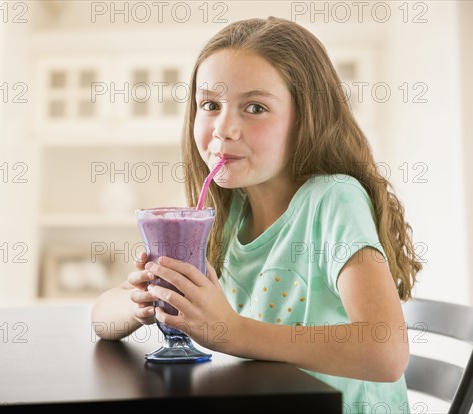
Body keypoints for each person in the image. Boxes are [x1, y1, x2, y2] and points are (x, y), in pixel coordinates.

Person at [91, 16, 422, 413]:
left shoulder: (333, 199)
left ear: (306, 118)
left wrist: (231, 333)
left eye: (255, 107)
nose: (224, 128)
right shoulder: (228, 215)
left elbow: (385, 352)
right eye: (210, 104)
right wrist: (143, 300)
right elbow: (99, 319)